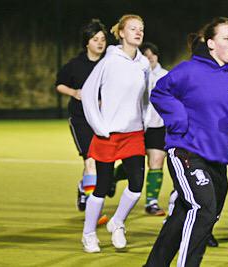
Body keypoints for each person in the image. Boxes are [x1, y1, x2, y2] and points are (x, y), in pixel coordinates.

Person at [144, 17, 228, 267]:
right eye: (227, 39)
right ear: (210, 43)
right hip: (186, 151)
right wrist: (177, 119)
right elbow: (160, 92)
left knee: (186, 213)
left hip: (217, 159)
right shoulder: (189, 71)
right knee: (203, 208)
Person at [79, 14, 149, 253]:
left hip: (134, 134)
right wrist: (99, 126)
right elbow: (88, 93)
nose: (138, 32)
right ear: (121, 33)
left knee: (137, 185)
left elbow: (146, 98)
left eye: (140, 29)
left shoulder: (143, 64)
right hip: (108, 136)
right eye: (132, 29)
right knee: (101, 187)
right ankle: (88, 234)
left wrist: (145, 122)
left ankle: (117, 222)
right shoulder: (109, 60)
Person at [55, 19, 110, 222]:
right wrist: (74, 92)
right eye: (95, 39)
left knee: (101, 164)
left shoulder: (109, 64)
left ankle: (83, 186)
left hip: (104, 121)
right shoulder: (75, 65)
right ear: (87, 42)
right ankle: (92, 212)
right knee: (91, 161)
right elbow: (59, 84)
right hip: (81, 120)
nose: (100, 43)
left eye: (103, 39)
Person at [140, 42, 170, 216]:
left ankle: (151, 203)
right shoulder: (133, 74)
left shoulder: (165, 76)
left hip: (158, 126)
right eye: (146, 54)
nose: (150, 57)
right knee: (134, 167)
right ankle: (114, 177)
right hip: (136, 126)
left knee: (156, 161)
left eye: (153, 54)